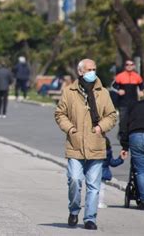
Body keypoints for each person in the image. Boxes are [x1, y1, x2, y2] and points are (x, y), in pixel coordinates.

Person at [55, 58, 117, 230]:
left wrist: (100, 127)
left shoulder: (102, 92)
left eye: (94, 69)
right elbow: (60, 114)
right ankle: (74, 211)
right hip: (75, 144)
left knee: (93, 186)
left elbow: (111, 115)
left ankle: (90, 218)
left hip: (96, 144)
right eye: (89, 69)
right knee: (74, 180)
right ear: (80, 72)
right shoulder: (69, 92)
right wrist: (70, 130)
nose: (92, 72)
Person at [112, 59, 144, 140]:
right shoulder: (120, 76)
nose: (129, 66)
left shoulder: (137, 76)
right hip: (123, 102)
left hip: (134, 102)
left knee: (134, 118)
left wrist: (141, 92)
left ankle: (132, 133)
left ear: (133, 66)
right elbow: (113, 86)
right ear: (125, 66)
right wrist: (118, 90)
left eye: (131, 64)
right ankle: (122, 134)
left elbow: (142, 87)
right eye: (127, 65)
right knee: (123, 119)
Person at [98, 136, 126, 208]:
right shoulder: (108, 153)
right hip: (103, 173)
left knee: (91, 189)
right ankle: (100, 202)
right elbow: (113, 163)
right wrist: (121, 159)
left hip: (92, 172)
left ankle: (90, 202)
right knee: (101, 189)